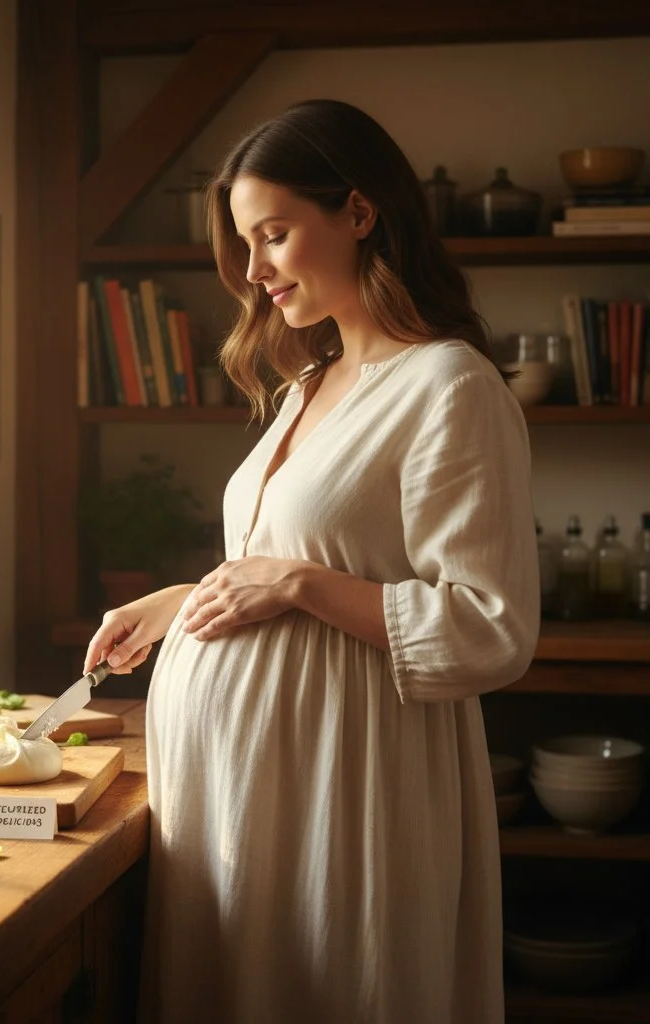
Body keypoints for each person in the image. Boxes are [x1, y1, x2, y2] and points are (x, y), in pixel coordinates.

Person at [83, 98, 539, 1024]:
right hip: (243, 794)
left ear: (360, 213)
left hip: (346, 784)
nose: (253, 273)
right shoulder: (309, 382)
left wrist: (297, 584)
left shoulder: (450, 385)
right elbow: (281, 561)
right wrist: (184, 601)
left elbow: (491, 630)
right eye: (246, 245)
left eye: (275, 235)